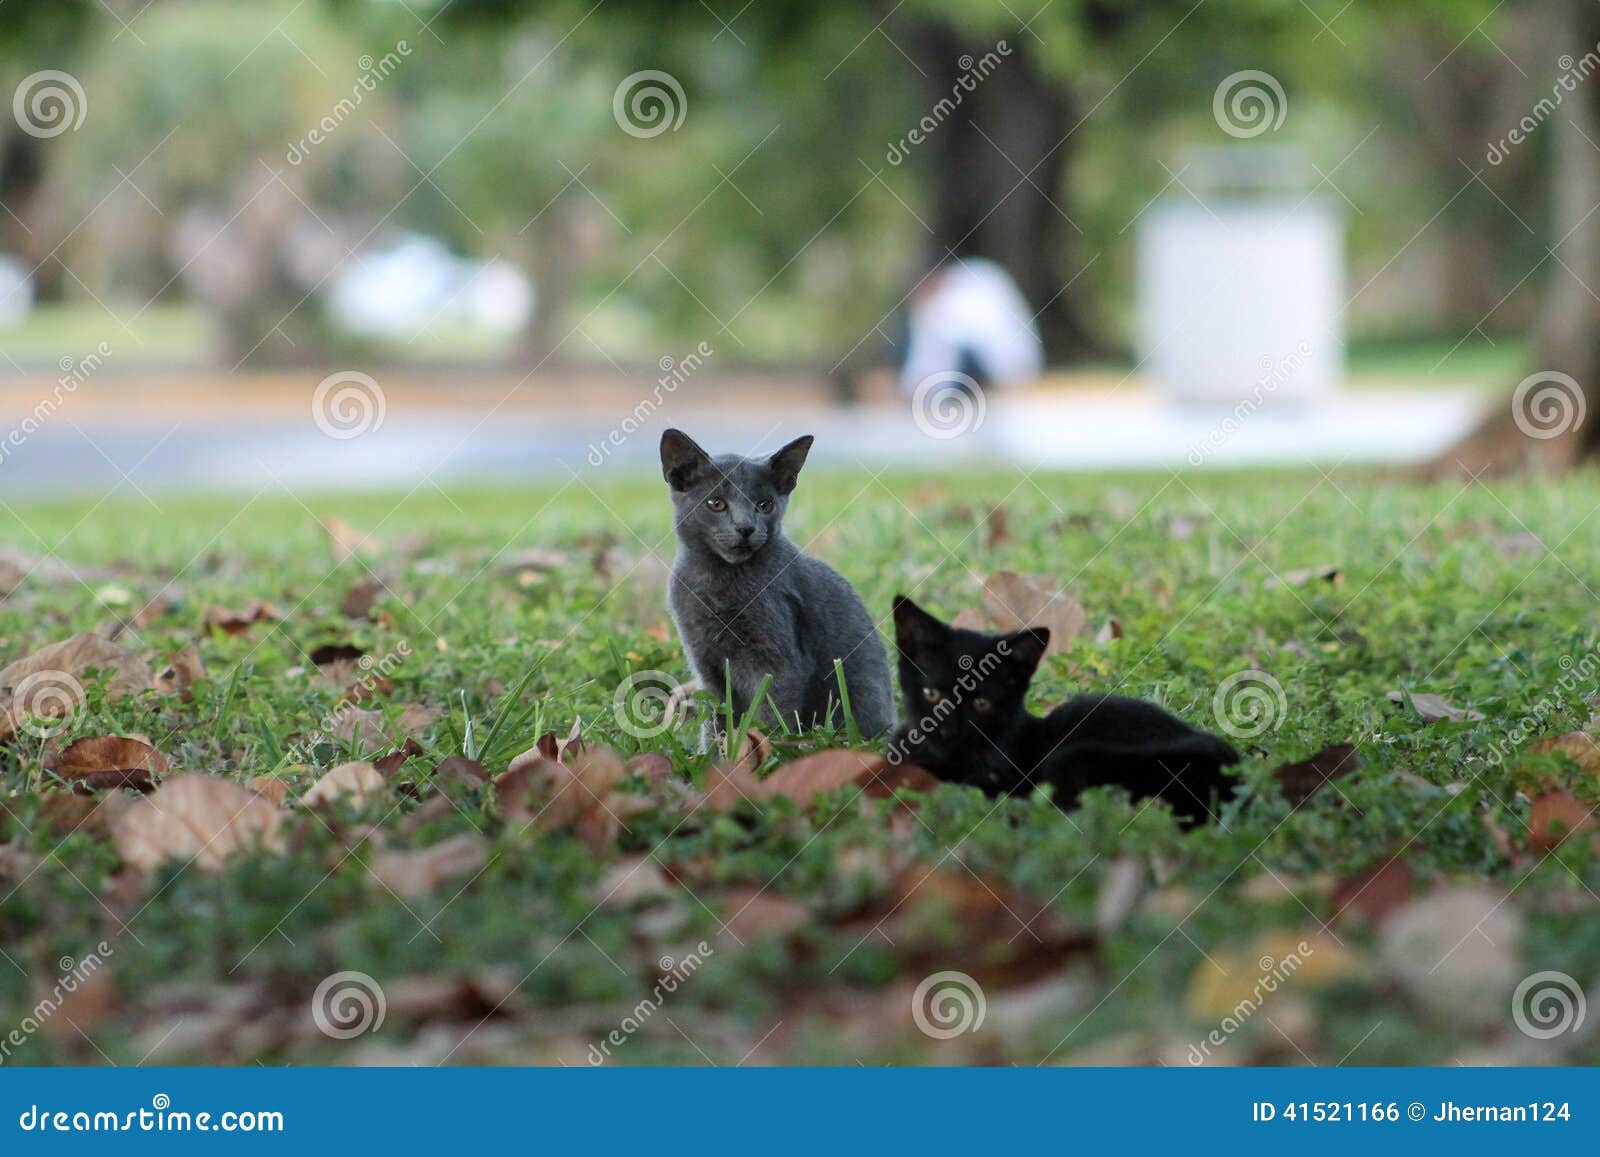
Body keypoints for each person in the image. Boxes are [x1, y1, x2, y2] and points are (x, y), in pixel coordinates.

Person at [899, 257, 1043, 396]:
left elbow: (939, 358)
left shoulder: (957, 296)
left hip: (1006, 368)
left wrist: (908, 387)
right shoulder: (980, 275)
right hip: (1014, 365)